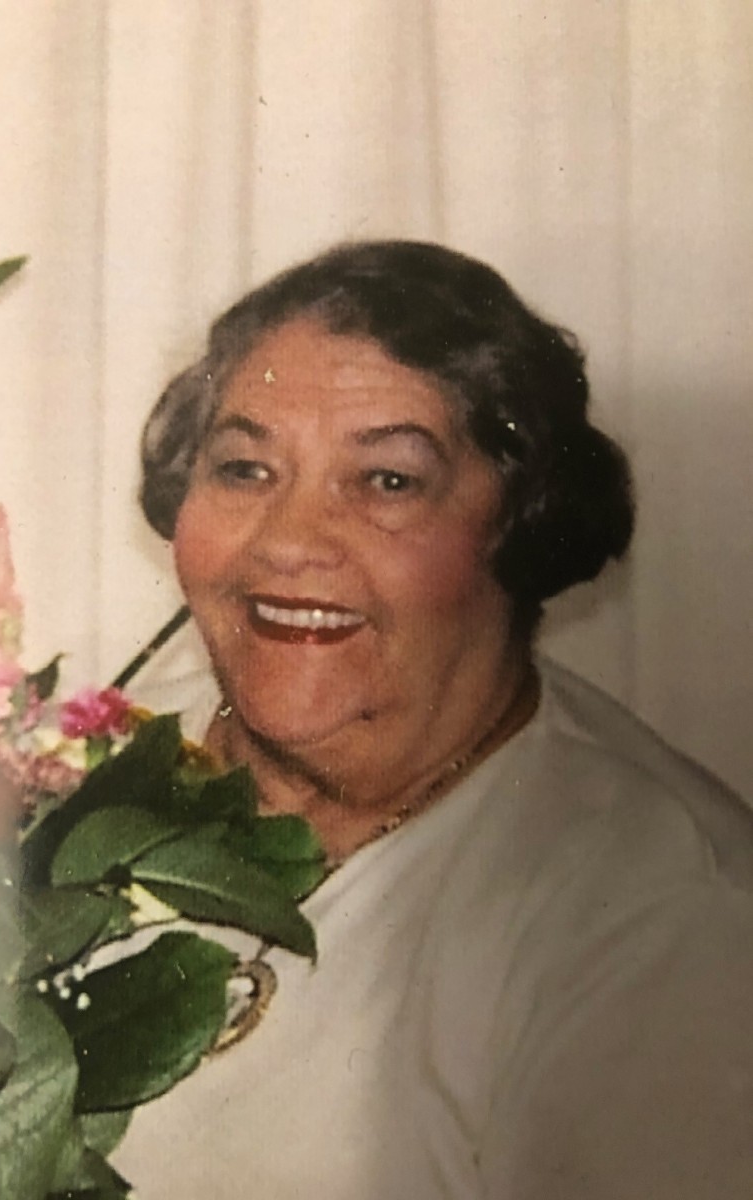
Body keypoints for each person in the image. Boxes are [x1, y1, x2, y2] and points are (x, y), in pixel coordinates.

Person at [113, 241, 753, 1198]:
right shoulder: (80, 759)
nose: (287, 542)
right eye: (244, 469)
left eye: (388, 482)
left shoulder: (667, 912)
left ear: (523, 522)